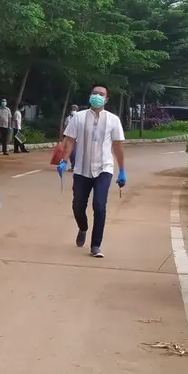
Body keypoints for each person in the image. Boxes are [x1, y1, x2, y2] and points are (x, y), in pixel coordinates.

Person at [57, 85, 126, 258]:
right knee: (78, 205)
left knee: (99, 206)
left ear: (106, 99)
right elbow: (70, 141)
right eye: (95, 93)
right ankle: (83, 227)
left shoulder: (113, 120)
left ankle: (96, 245)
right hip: (81, 169)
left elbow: (117, 146)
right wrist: (64, 160)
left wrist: (122, 170)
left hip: (104, 168)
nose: (97, 96)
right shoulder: (78, 118)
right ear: (89, 96)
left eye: (101, 94)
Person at [63, 104, 79, 171]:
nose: (73, 110)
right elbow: (65, 127)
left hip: (78, 138)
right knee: (71, 152)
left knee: (75, 152)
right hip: (70, 137)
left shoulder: (79, 117)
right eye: (72, 109)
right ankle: (73, 166)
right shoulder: (68, 118)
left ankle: (76, 167)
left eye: (74, 109)